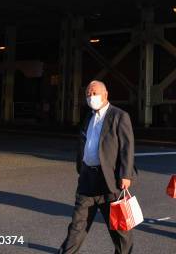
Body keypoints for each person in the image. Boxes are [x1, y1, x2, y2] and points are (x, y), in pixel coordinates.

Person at [58, 80, 136, 254]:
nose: (90, 97)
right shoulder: (88, 117)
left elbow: (127, 147)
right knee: (77, 225)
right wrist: (81, 166)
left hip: (110, 181)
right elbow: (84, 143)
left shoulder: (119, 115)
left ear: (105, 94)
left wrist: (126, 174)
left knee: (119, 229)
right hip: (88, 179)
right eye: (88, 94)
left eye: (94, 93)